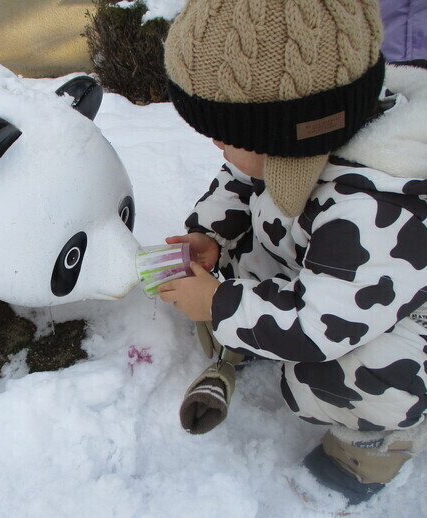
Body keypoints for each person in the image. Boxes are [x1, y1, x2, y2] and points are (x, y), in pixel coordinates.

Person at [158, 0, 427, 510]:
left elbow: (321, 325)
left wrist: (219, 304)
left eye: (225, 137)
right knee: (241, 251)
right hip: (326, 271)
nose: (216, 144)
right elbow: (241, 177)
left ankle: (378, 444)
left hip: (392, 322)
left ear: (288, 134)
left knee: (343, 375)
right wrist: (211, 233)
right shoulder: (299, 139)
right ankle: (255, 326)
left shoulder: (376, 209)